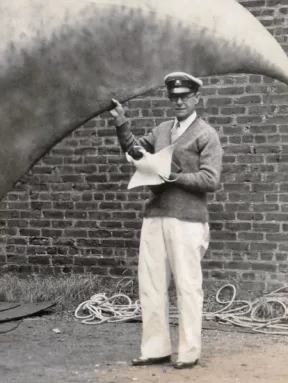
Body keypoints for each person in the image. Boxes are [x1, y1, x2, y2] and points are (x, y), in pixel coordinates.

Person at [108, 72, 223, 371]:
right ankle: (155, 349)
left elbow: (211, 179)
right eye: (174, 97)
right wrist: (122, 123)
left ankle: (188, 352)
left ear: (196, 98)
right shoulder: (161, 130)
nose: (179, 101)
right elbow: (136, 151)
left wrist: (175, 176)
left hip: (187, 220)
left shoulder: (206, 134)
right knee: (151, 284)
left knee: (187, 286)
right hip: (155, 215)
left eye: (185, 96)